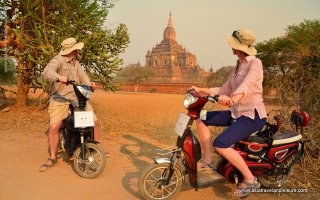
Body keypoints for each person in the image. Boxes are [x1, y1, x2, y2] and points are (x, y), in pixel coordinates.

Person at [189, 28, 267, 197]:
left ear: (240, 46)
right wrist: (199, 90)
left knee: (221, 143)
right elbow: (225, 88)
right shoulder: (238, 65)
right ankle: (208, 160)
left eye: (233, 44)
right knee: (201, 118)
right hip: (235, 112)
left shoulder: (255, 63)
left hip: (252, 115)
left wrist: (233, 100)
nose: (231, 47)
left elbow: (246, 86)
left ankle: (250, 180)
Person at [39, 37, 101, 172]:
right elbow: (47, 72)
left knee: (94, 122)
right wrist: (59, 77)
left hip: (76, 97)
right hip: (60, 98)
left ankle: (96, 149)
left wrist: (89, 83)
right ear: (71, 50)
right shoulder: (58, 60)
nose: (78, 51)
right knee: (54, 126)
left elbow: (83, 76)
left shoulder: (76, 63)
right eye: (76, 49)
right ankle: (53, 157)